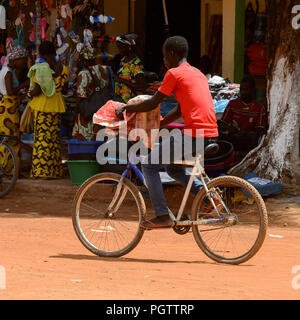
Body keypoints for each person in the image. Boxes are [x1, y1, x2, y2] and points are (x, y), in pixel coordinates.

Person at [115, 36, 218, 229]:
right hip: (209, 133)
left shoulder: (174, 73)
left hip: (194, 134)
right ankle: (210, 199)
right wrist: (161, 124)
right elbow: (180, 109)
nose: (163, 60)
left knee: (149, 165)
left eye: (164, 56)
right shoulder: (197, 73)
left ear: (172, 54)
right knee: (173, 169)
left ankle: (162, 215)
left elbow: (154, 101)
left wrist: (127, 109)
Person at [27, 40, 69, 179]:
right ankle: (55, 172)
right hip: (56, 106)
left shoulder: (41, 68)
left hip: (43, 106)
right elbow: (66, 89)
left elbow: (37, 90)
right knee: (53, 140)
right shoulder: (63, 69)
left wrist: (29, 94)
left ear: (42, 54)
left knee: (41, 139)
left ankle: (41, 172)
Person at [72, 44, 113, 141]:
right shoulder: (104, 70)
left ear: (83, 59)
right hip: (100, 111)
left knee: (87, 142)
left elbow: (80, 97)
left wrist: (74, 113)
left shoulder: (84, 73)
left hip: (88, 114)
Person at [218, 75, 266, 155]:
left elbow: (260, 130)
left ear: (253, 90)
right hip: (233, 137)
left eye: (245, 89)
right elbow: (223, 124)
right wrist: (230, 128)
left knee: (253, 136)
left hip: (248, 140)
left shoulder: (259, 108)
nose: (242, 92)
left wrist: (245, 133)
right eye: (241, 89)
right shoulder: (232, 104)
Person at [0, 45, 28, 165]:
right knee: (12, 138)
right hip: (9, 109)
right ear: (17, 59)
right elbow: (10, 92)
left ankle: (10, 168)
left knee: (8, 138)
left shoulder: (6, 70)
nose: (25, 63)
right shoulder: (8, 72)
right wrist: (23, 85)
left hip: (6, 107)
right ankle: (10, 169)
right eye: (24, 60)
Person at [114, 33, 146, 103]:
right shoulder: (123, 60)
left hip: (129, 102)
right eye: (118, 48)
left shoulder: (135, 64)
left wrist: (121, 80)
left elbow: (142, 86)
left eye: (121, 48)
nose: (119, 50)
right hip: (119, 98)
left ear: (129, 47)